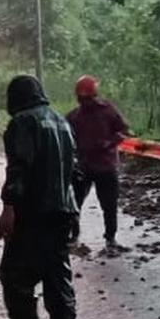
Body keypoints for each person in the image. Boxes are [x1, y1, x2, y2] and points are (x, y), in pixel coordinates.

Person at [0, 76, 80, 319]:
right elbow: (74, 172)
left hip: (33, 213)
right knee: (58, 279)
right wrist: (74, 210)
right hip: (62, 212)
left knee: (14, 275)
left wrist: (8, 207)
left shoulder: (22, 122)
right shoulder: (61, 121)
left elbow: (19, 168)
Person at [65, 75, 131, 248]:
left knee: (108, 204)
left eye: (86, 97)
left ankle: (110, 238)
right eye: (82, 98)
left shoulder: (107, 110)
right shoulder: (73, 116)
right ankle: (74, 235)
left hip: (104, 166)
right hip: (84, 166)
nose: (84, 101)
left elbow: (123, 130)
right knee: (75, 203)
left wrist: (109, 142)